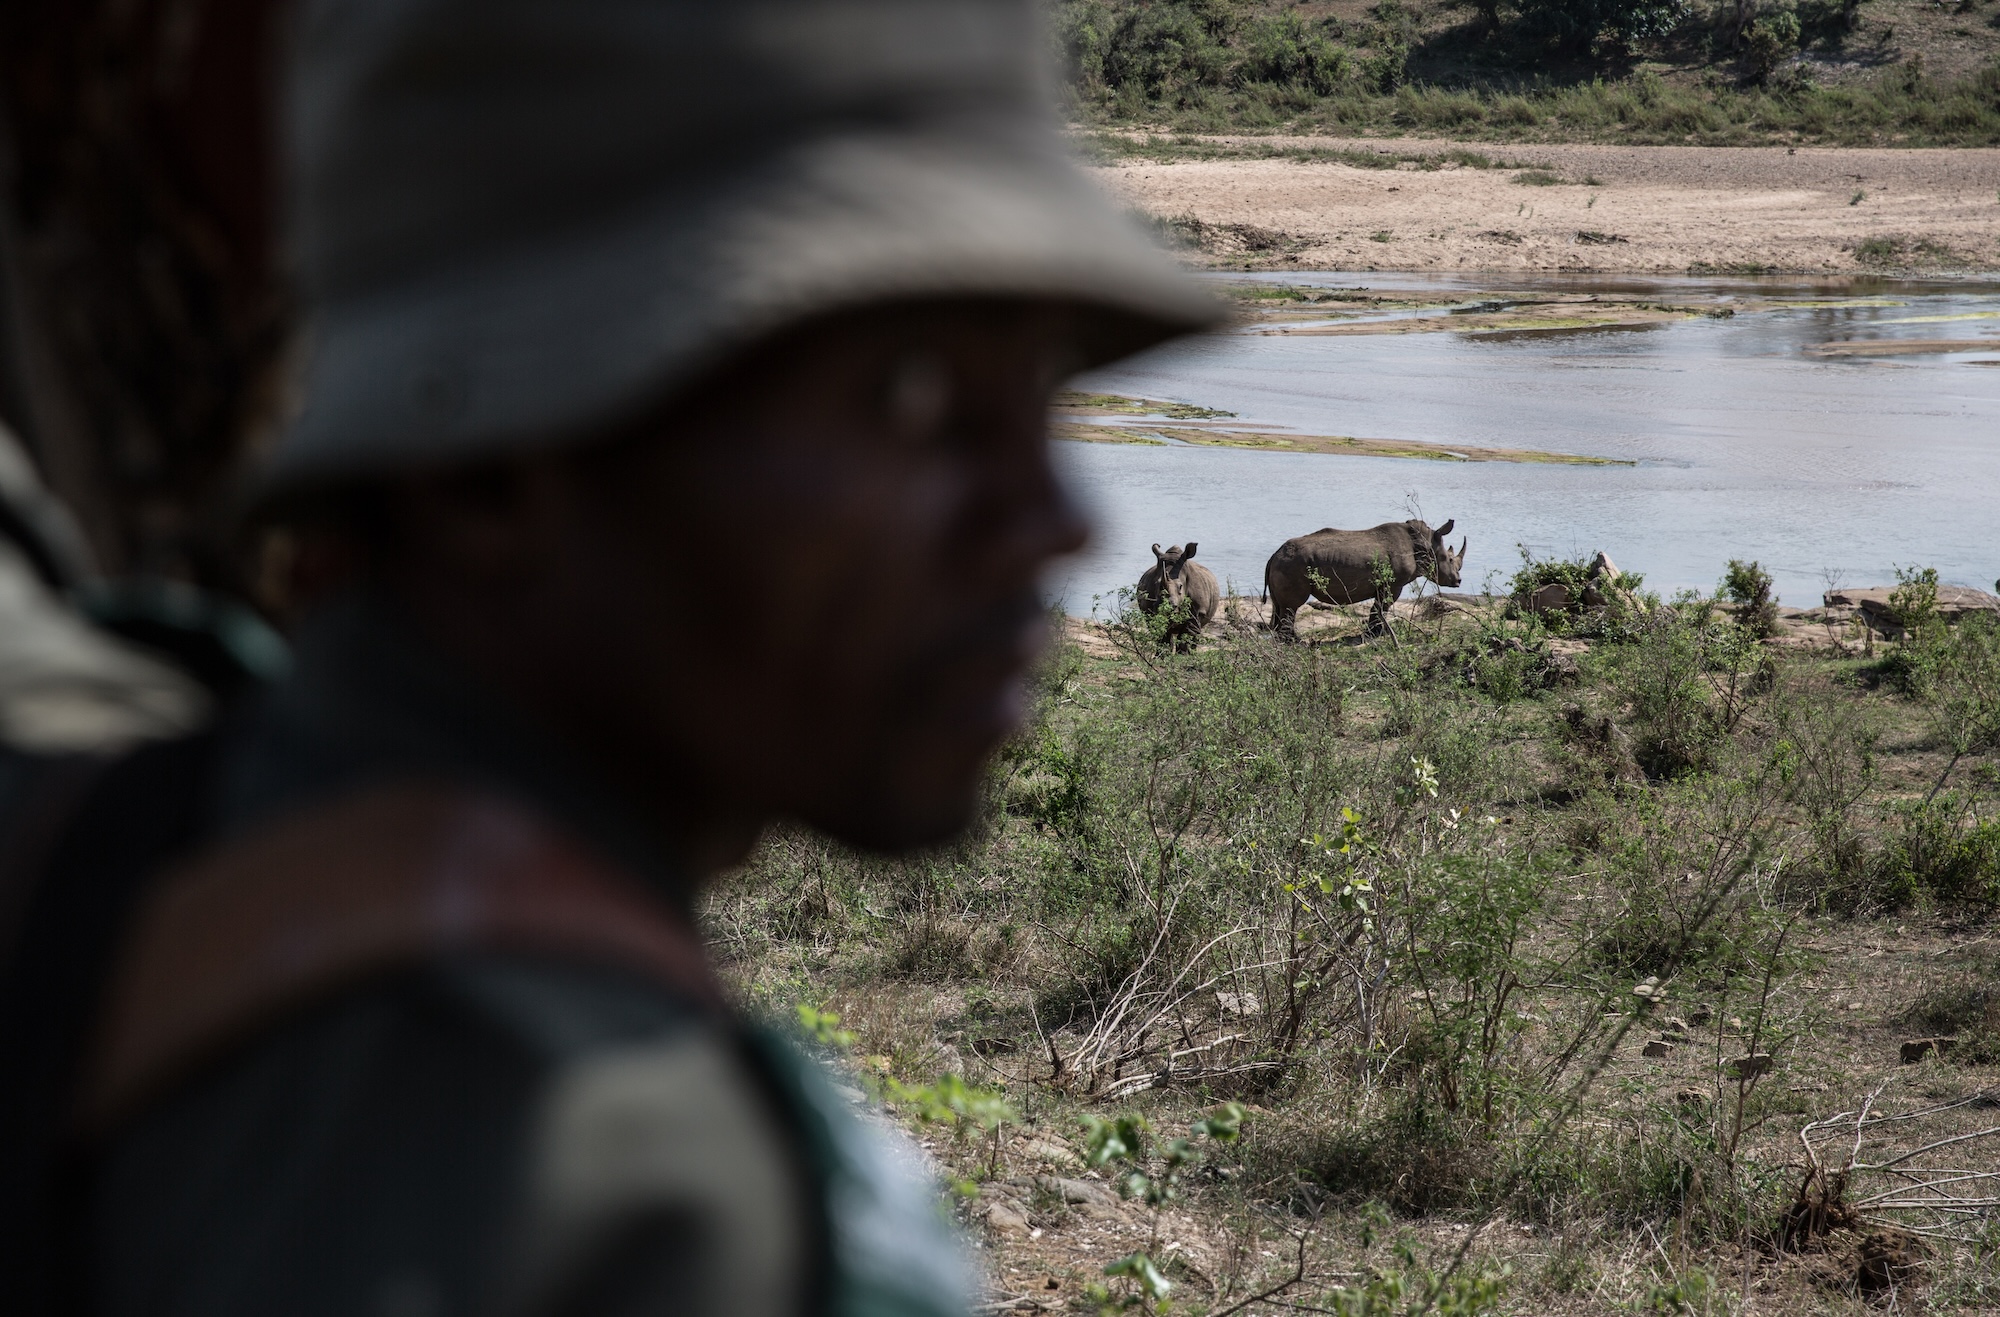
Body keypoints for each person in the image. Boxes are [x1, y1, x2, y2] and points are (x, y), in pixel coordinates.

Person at [2, 2, 1218, 1314]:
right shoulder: (655, 1213)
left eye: (1039, 385)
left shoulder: (106, 827)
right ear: (488, 478)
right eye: (909, 394)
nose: (1059, 516)